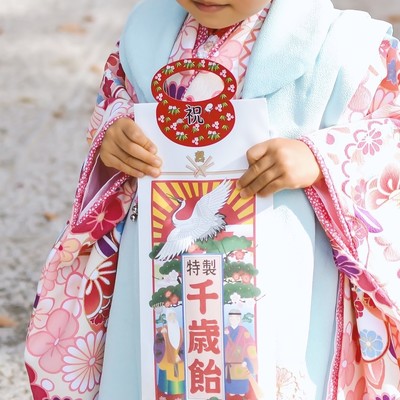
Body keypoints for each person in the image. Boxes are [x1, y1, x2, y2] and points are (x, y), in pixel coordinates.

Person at [24, 0, 400, 399]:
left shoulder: (346, 47)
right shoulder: (145, 38)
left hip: (288, 271)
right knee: (160, 363)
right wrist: (115, 136)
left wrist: (319, 158)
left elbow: (390, 128)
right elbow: (115, 103)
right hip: (159, 261)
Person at [224, 310, 258, 398]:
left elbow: (249, 344)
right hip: (229, 361)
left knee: (241, 377)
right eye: (231, 318)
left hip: (242, 360)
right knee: (231, 378)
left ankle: (242, 390)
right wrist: (225, 336)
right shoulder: (226, 330)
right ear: (229, 318)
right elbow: (221, 345)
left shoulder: (244, 331)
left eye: (236, 318)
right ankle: (232, 390)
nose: (233, 320)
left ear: (239, 319)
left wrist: (247, 360)